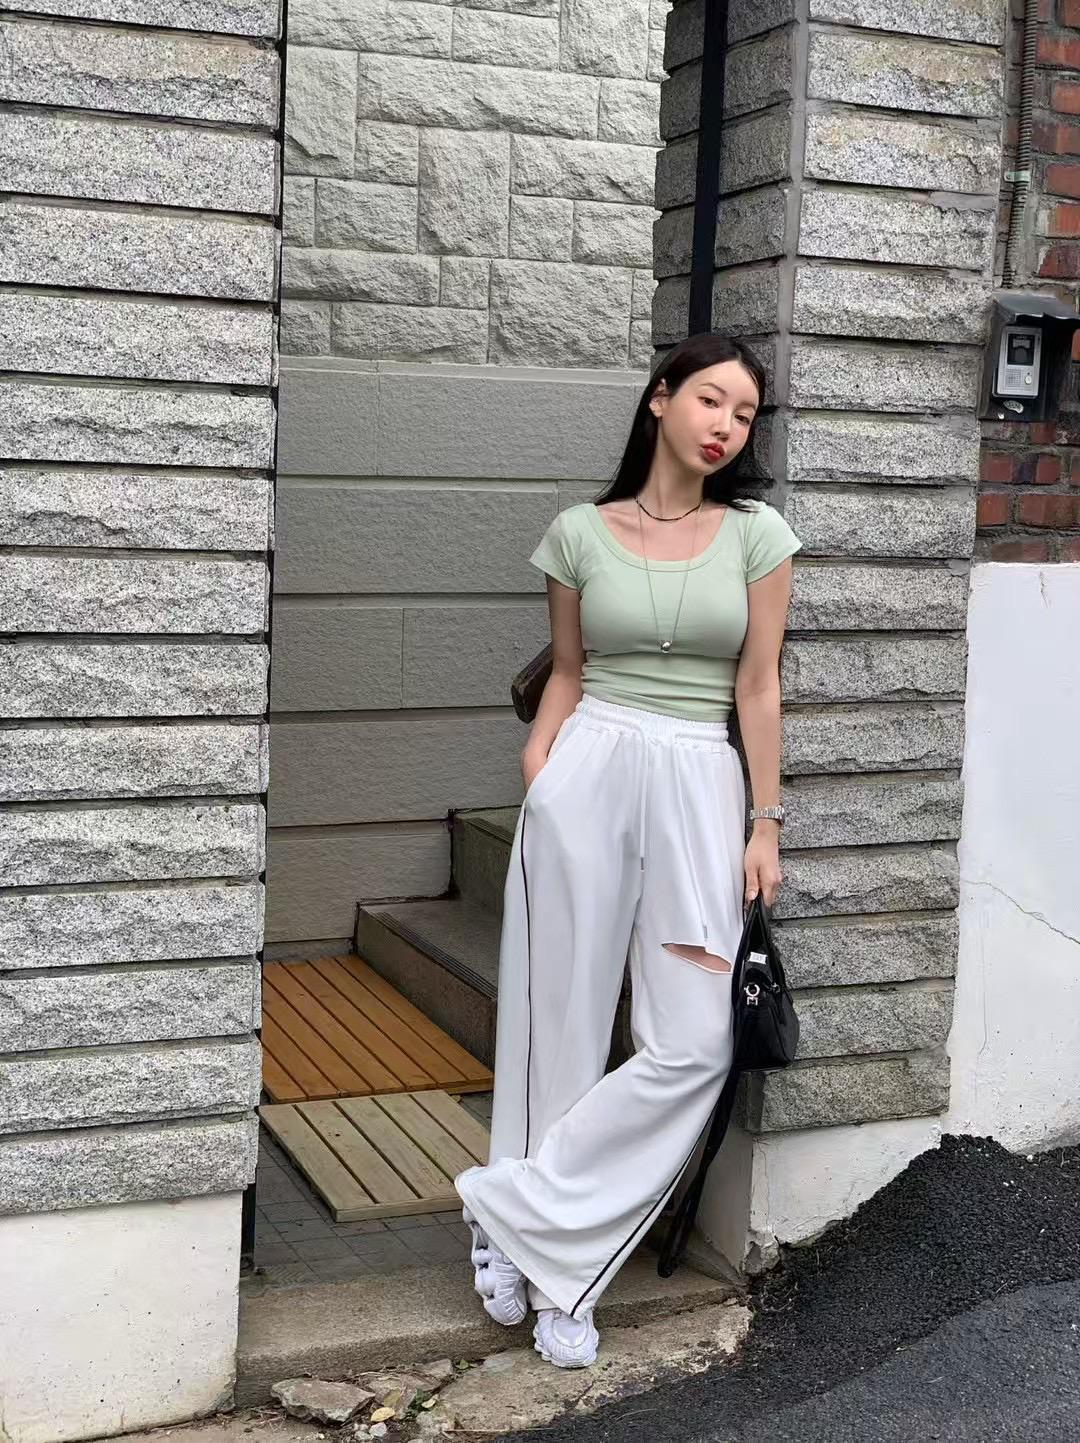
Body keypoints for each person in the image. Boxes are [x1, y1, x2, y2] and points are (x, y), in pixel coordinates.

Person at [455, 332, 801, 1370]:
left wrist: (764, 821)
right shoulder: (579, 533)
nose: (726, 426)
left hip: (701, 778)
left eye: (744, 415)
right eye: (710, 400)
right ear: (660, 400)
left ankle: (522, 1211)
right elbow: (567, 669)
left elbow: (758, 688)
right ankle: (557, 1272)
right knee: (552, 1019)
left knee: (696, 1040)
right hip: (590, 767)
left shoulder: (758, 536)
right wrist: (541, 760)